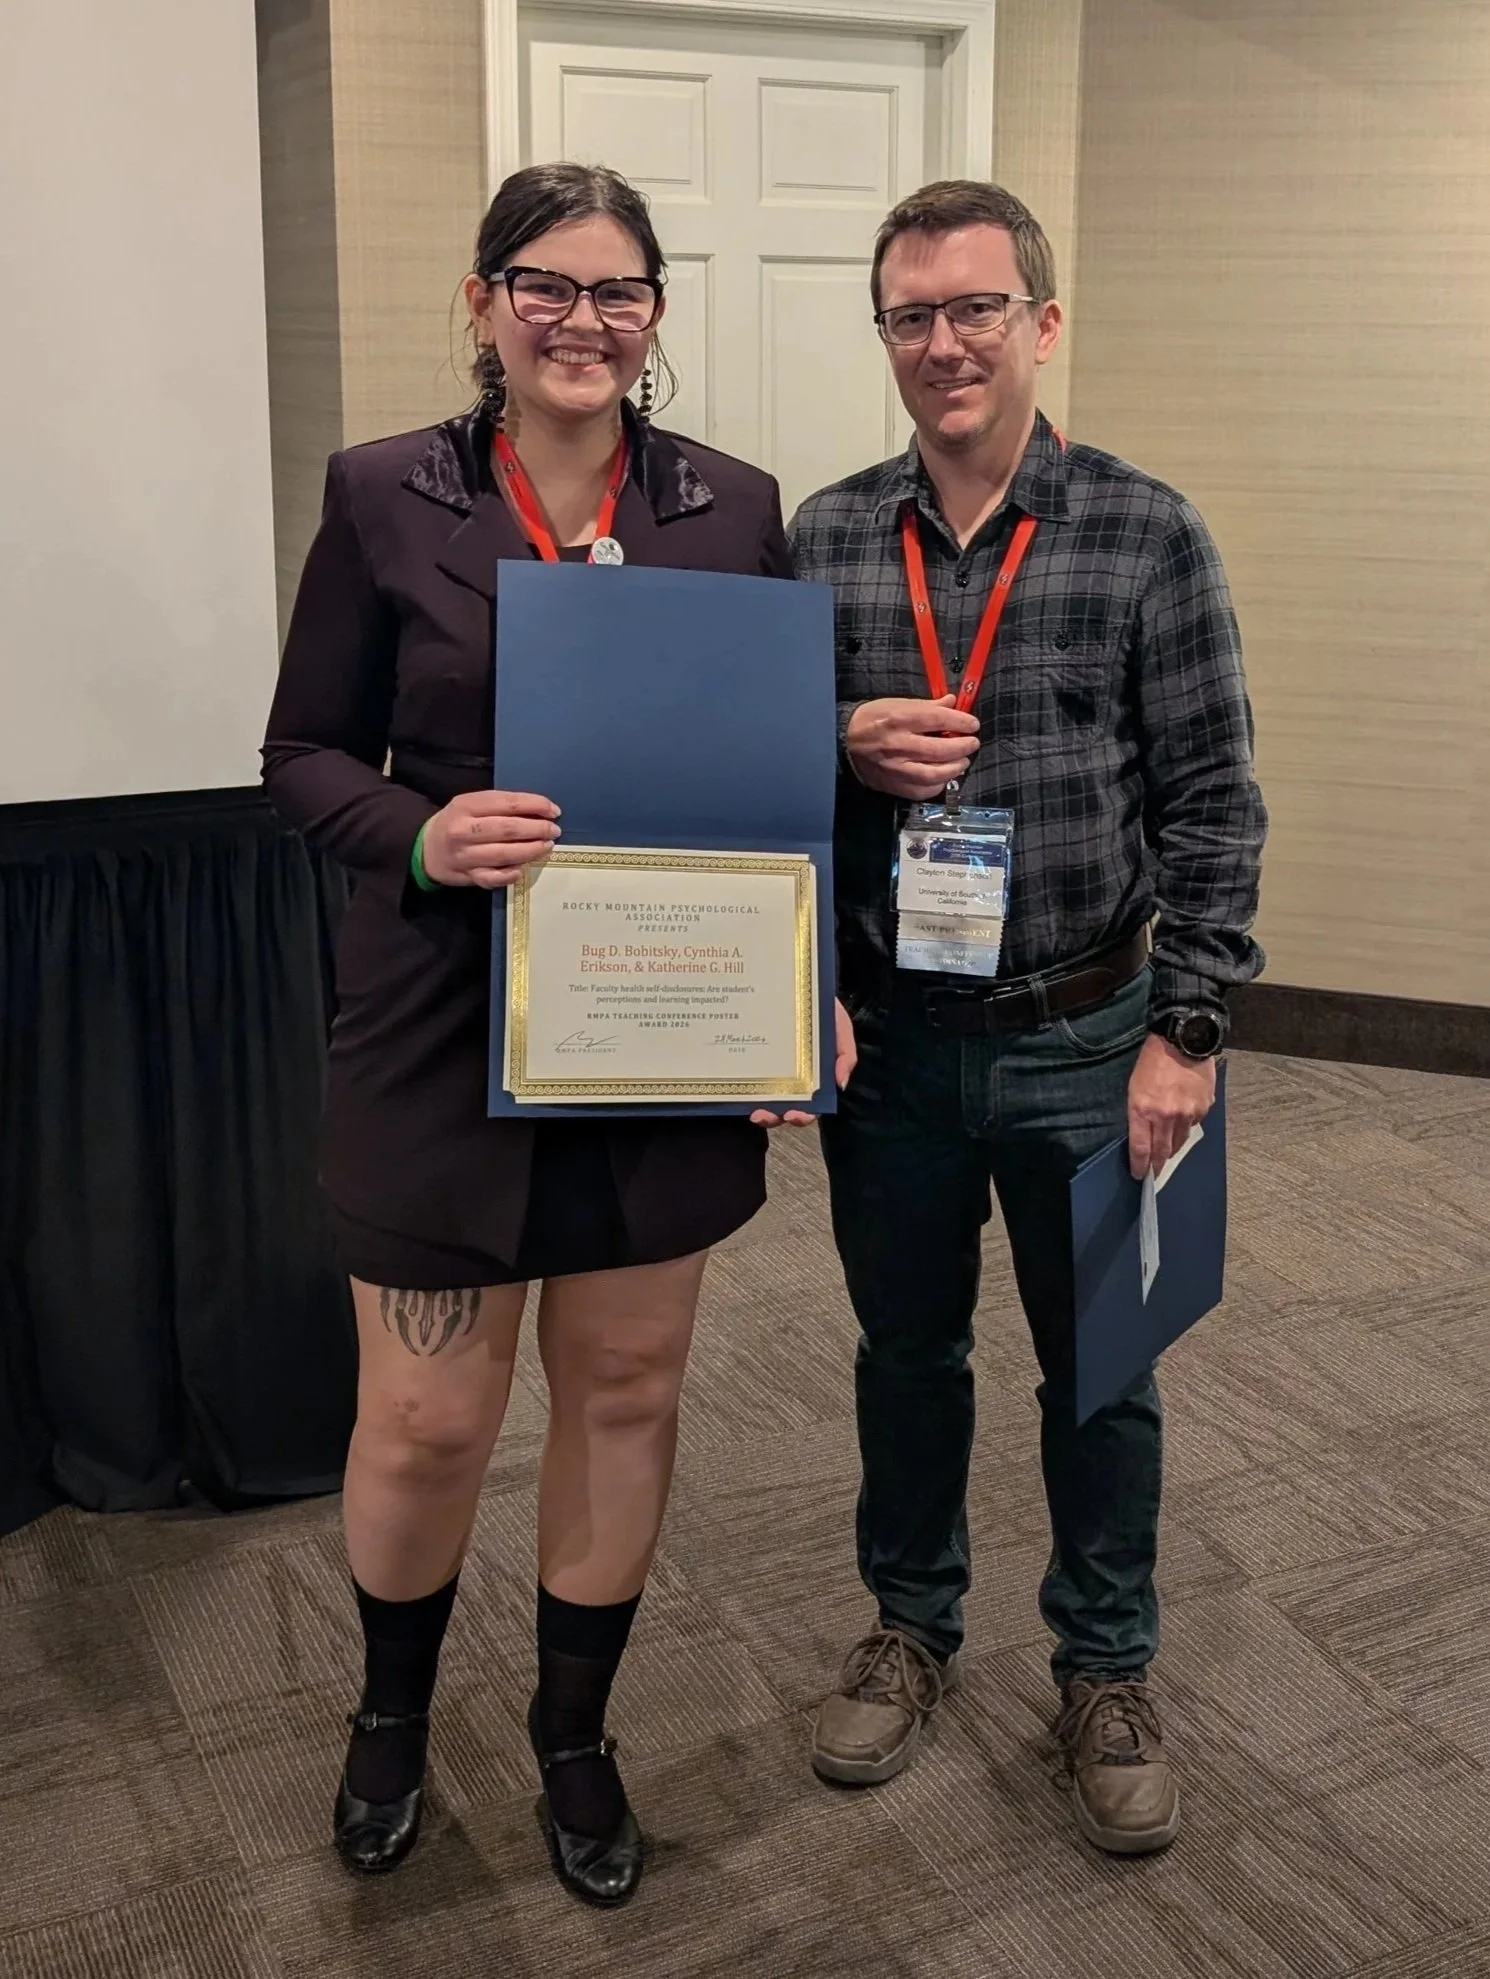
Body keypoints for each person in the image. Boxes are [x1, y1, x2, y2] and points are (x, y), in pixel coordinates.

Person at [262, 161, 851, 1906]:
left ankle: (573, 1736)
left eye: (617, 291)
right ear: (483, 302)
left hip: (658, 1018)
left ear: (654, 314)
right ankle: (388, 1713)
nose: (581, 320)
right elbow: (298, 758)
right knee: (431, 1419)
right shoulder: (385, 494)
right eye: (546, 285)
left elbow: (763, 780)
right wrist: (424, 837)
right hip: (443, 1015)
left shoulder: (731, 507)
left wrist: (801, 974)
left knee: (625, 1387)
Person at [790, 180, 1266, 1855]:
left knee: (1105, 1369)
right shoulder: (826, 538)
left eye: (974, 309)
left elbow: (1214, 801)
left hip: (1096, 1029)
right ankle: (911, 1624)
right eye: (909, 316)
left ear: (1039, 324)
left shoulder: (1145, 528)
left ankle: (1105, 1663)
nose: (942, 344)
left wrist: (1185, 1033)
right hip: (897, 1048)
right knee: (904, 1355)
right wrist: (833, 748)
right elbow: (762, 797)